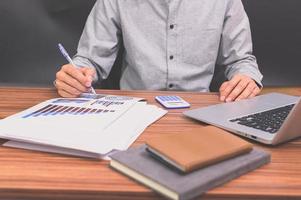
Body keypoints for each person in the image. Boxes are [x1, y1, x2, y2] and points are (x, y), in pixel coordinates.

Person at [55, 0, 263, 102]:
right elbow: (90, 60)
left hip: (200, 110)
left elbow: (241, 60)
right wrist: (75, 76)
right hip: (135, 108)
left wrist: (246, 78)